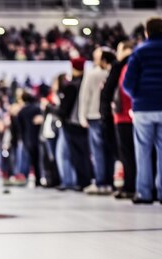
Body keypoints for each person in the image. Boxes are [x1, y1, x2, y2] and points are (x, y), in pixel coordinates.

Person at [123, 17, 162, 205]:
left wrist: (137, 96)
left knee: (143, 152)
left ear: (146, 31)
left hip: (143, 108)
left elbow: (127, 83)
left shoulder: (139, 52)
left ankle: (144, 193)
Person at [79, 47, 117, 195]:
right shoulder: (111, 74)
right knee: (108, 151)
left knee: (97, 151)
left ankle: (100, 181)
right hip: (108, 117)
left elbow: (85, 96)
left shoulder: (92, 74)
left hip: (94, 116)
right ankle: (108, 182)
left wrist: (83, 115)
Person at [55, 57, 93, 189]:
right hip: (87, 122)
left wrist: (57, 112)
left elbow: (64, 108)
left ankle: (81, 182)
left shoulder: (72, 85)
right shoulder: (87, 82)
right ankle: (86, 180)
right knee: (85, 153)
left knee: (76, 154)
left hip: (72, 123)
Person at [112, 41, 136, 199]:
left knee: (128, 155)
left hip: (126, 117)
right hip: (127, 116)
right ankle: (131, 185)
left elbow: (125, 89)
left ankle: (130, 187)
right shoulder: (127, 66)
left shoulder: (126, 67)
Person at [17, 92, 44, 186]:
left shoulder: (22, 111)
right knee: (39, 159)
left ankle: (26, 177)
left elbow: (20, 128)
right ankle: (39, 179)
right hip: (38, 137)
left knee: (31, 160)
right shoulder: (37, 108)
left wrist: (23, 139)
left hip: (27, 138)